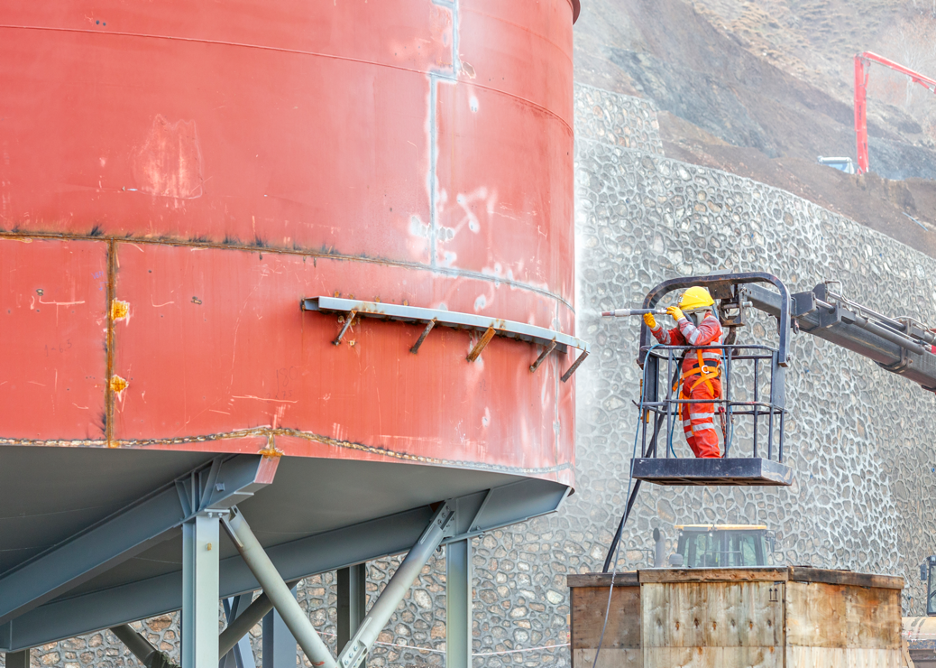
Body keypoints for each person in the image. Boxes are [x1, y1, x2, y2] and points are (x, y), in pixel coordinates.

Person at [643, 287, 724, 458]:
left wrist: (681, 319)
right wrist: (655, 326)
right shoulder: (689, 327)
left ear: (699, 311)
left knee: (701, 420)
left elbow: (697, 339)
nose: (686, 320)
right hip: (690, 382)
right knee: (689, 424)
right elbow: (670, 339)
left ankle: (710, 457)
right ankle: (700, 457)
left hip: (704, 380)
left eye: (689, 316)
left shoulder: (711, 323)